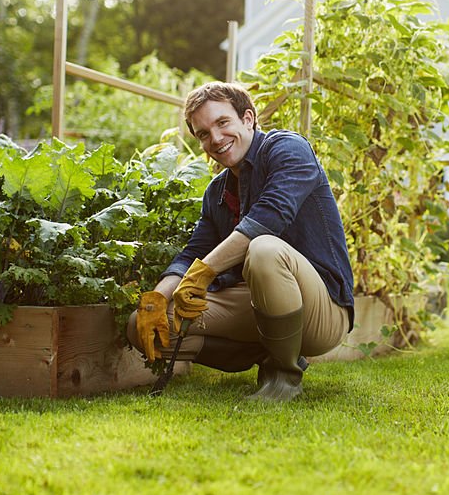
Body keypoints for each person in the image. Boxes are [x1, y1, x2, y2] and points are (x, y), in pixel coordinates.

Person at [128, 82, 354, 401]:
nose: (216, 139)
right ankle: (264, 353)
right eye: (204, 133)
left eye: (222, 123)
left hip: (322, 311)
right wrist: (157, 298)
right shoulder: (217, 192)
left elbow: (269, 218)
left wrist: (203, 273)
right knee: (141, 324)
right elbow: (193, 252)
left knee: (263, 248)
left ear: (247, 119)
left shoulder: (287, 149)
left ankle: (283, 376)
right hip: (257, 305)